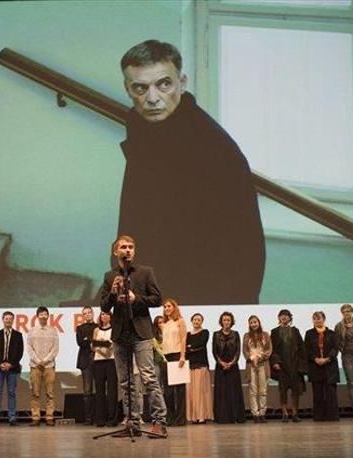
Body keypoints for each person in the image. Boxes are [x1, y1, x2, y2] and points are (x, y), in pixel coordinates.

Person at [117, 39, 265, 306]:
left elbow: (245, 245)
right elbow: (138, 213)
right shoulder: (144, 128)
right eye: (140, 87)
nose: (152, 98)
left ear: (182, 83)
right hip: (152, 280)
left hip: (202, 292)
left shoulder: (214, 148)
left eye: (164, 84)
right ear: (127, 89)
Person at [100, 234, 167, 438]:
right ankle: (132, 423)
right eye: (123, 247)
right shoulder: (110, 276)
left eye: (130, 247)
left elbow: (157, 300)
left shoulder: (146, 272)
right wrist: (113, 294)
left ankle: (159, 422)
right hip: (120, 333)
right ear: (116, 252)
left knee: (149, 378)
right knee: (126, 382)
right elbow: (104, 307)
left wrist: (135, 298)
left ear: (134, 251)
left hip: (141, 332)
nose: (127, 250)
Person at [269, 309, 307, 422]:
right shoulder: (274, 332)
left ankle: (295, 413)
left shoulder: (295, 331)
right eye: (282, 315)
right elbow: (272, 349)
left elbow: (302, 348)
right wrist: (275, 362)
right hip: (281, 366)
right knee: (283, 391)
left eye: (286, 315)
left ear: (290, 318)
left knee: (296, 391)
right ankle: (284, 413)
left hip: (295, 365)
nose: (284, 317)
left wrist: (301, 366)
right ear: (279, 318)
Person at [26, 306, 60, 427]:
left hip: (49, 366)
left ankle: (49, 417)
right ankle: (36, 417)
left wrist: (45, 360)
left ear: (48, 316)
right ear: (37, 316)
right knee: (35, 393)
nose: (43, 316)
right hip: (35, 366)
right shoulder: (32, 331)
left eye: (45, 314)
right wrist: (37, 360)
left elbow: (55, 348)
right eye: (41, 314)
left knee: (50, 393)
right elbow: (29, 348)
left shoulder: (53, 331)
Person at [305, 311, 340, 422]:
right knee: (318, 393)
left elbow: (335, 348)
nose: (317, 320)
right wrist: (315, 359)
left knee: (331, 393)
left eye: (319, 318)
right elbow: (307, 349)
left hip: (330, 366)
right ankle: (319, 417)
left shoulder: (332, 333)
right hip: (315, 366)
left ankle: (332, 416)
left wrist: (327, 358)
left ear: (324, 319)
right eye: (314, 319)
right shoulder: (309, 333)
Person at [0, 311, 24, 426]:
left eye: (10, 319)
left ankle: (12, 418)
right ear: (3, 320)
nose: (8, 320)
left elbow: (19, 353)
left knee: (11, 393)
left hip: (12, 369)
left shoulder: (18, 335)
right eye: (6, 318)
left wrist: (10, 364)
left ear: (13, 320)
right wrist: (0, 364)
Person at [212, 311, 245, 424]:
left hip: (233, 366)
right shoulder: (216, 334)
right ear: (221, 322)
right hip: (220, 367)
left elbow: (238, 351)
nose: (226, 322)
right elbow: (214, 351)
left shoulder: (236, 334)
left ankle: (235, 416)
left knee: (233, 391)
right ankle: (222, 417)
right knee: (221, 392)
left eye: (228, 320)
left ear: (231, 322)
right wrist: (221, 363)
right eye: (224, 320)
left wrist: (231, 363)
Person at [161, 298, 187, 426]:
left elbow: (183, 339)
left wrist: (182, 356)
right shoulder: (165, 324)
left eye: (169, 306)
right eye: (165, 307)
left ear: (174, 307)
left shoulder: (180, 321)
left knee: (180, 389)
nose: (167, 308)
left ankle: (181, 418)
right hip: (166, 357)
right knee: (168, 390)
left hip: (177, 355)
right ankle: (170, 417)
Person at [242, 315, 272, 423]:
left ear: (258, 323)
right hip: (251, 365)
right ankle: (255, 414)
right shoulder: (246, 336)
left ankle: (262, 413)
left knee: (263, 390)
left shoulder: (266, 335)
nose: (253, 324)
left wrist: (259, 357)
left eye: (255, 322)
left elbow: (269, 349)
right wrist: (252, 358)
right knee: (253, 391)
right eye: (251, 323)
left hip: (263, 364)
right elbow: (245, 350)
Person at [92, 310, 118, 427]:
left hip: (111, 361)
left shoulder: (114, 329)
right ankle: (100, 419)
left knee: (112, 390)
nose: (104, 316)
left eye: (107, 314)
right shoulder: (96, 330)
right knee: (99, 391)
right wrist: (101, 348)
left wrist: (103, 346)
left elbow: (112, 344)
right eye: (102, 314)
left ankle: (112, 419)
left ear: (111, 316)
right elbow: (93, 345)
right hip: (98, 361)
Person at [185, 313, 213, 424]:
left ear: (202, 322)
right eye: (195, 319)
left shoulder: (205, 332)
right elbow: (186, 348)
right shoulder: (187, 334)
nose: (196, 321)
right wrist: (190, 348)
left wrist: (190, 347)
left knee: (201, 391)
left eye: (199, 320)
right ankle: (194, 416)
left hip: (201, 364)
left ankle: (202, 416)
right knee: (191, 392)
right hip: (190, 365)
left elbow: (201, 344)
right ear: (192, 321)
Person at [76, 305, 98, 424]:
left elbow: (99, 342)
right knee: (87, 390)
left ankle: (99, 416)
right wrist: (91, 340)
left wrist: (88, 339)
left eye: (89, 312)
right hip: (86, 360)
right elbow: (81, 343)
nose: (87, 314)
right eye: (85, 313)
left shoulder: (98, 327)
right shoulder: (80, 328)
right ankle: (88, 418)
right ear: (83, 315)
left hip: (99, 359)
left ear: (92, 313)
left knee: (99, 389)